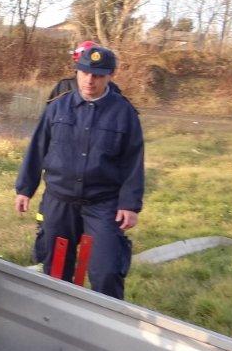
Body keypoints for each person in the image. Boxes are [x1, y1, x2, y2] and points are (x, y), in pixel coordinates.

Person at [15, 45, 144, 299]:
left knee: (106, 272)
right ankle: (56, 318)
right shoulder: (58, 107)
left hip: (103, 204)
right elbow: (37, 148)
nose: (89, 80)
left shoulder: (124, 113)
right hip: (59, 201)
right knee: (56, 270)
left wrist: (130, 204)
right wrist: (24, 189)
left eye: (97, 75)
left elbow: (133, 161)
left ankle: (107, 325)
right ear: (77, 72)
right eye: (84, 73)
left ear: (109, 76)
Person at [47, 40, 123, 102]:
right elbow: (51, 112)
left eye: (97, 74)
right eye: (84, 71)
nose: (89, 80)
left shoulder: (113, 89)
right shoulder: (64, 85)